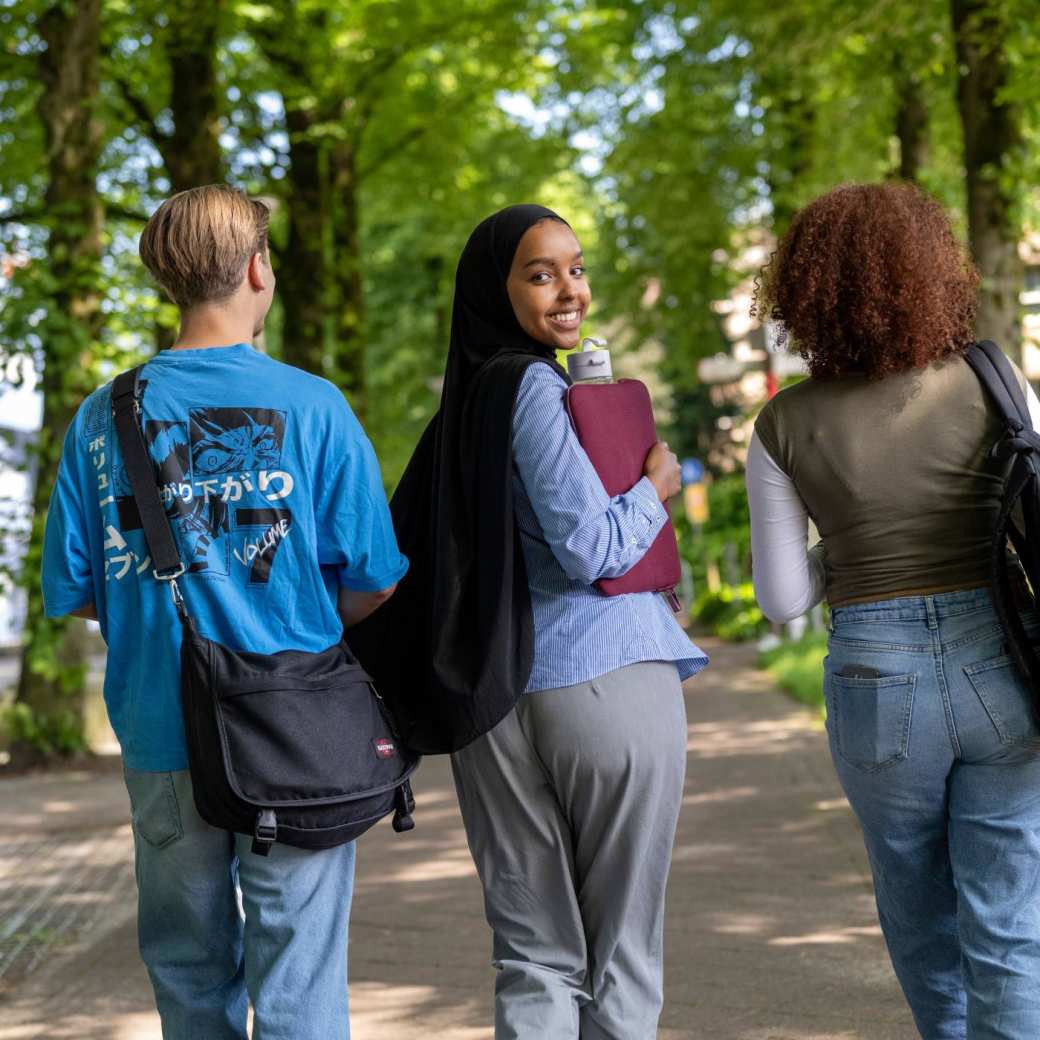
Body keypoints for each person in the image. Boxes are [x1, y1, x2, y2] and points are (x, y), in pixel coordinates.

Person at [40, 184, 407, 1040]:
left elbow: (82, 589)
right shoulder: (314, 406)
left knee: (188, 973)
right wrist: (286, 617)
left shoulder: (99, 419)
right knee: (299, 979)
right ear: (257, 270)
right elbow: (376, 578)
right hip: (293, 733)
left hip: (161, 730)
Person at [366, 204, 708, 1039]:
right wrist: (655, 487)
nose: (569, 290)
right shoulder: (531, 388)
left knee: (532, 954)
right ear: (497, 286)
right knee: (622, 949)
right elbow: (592, 547)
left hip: (495, 699)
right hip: (603, 678)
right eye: (540, 272)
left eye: (576, 268)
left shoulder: (462, 410)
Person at [747, 181, 1040, 1039]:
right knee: (1010, 924)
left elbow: (781, 600)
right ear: (932, 271)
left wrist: (849, 538)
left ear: (804, 293)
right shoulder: (995, 380)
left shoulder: (784, 424)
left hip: (878, 681)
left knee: (920, 922)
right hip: (1007, 660)